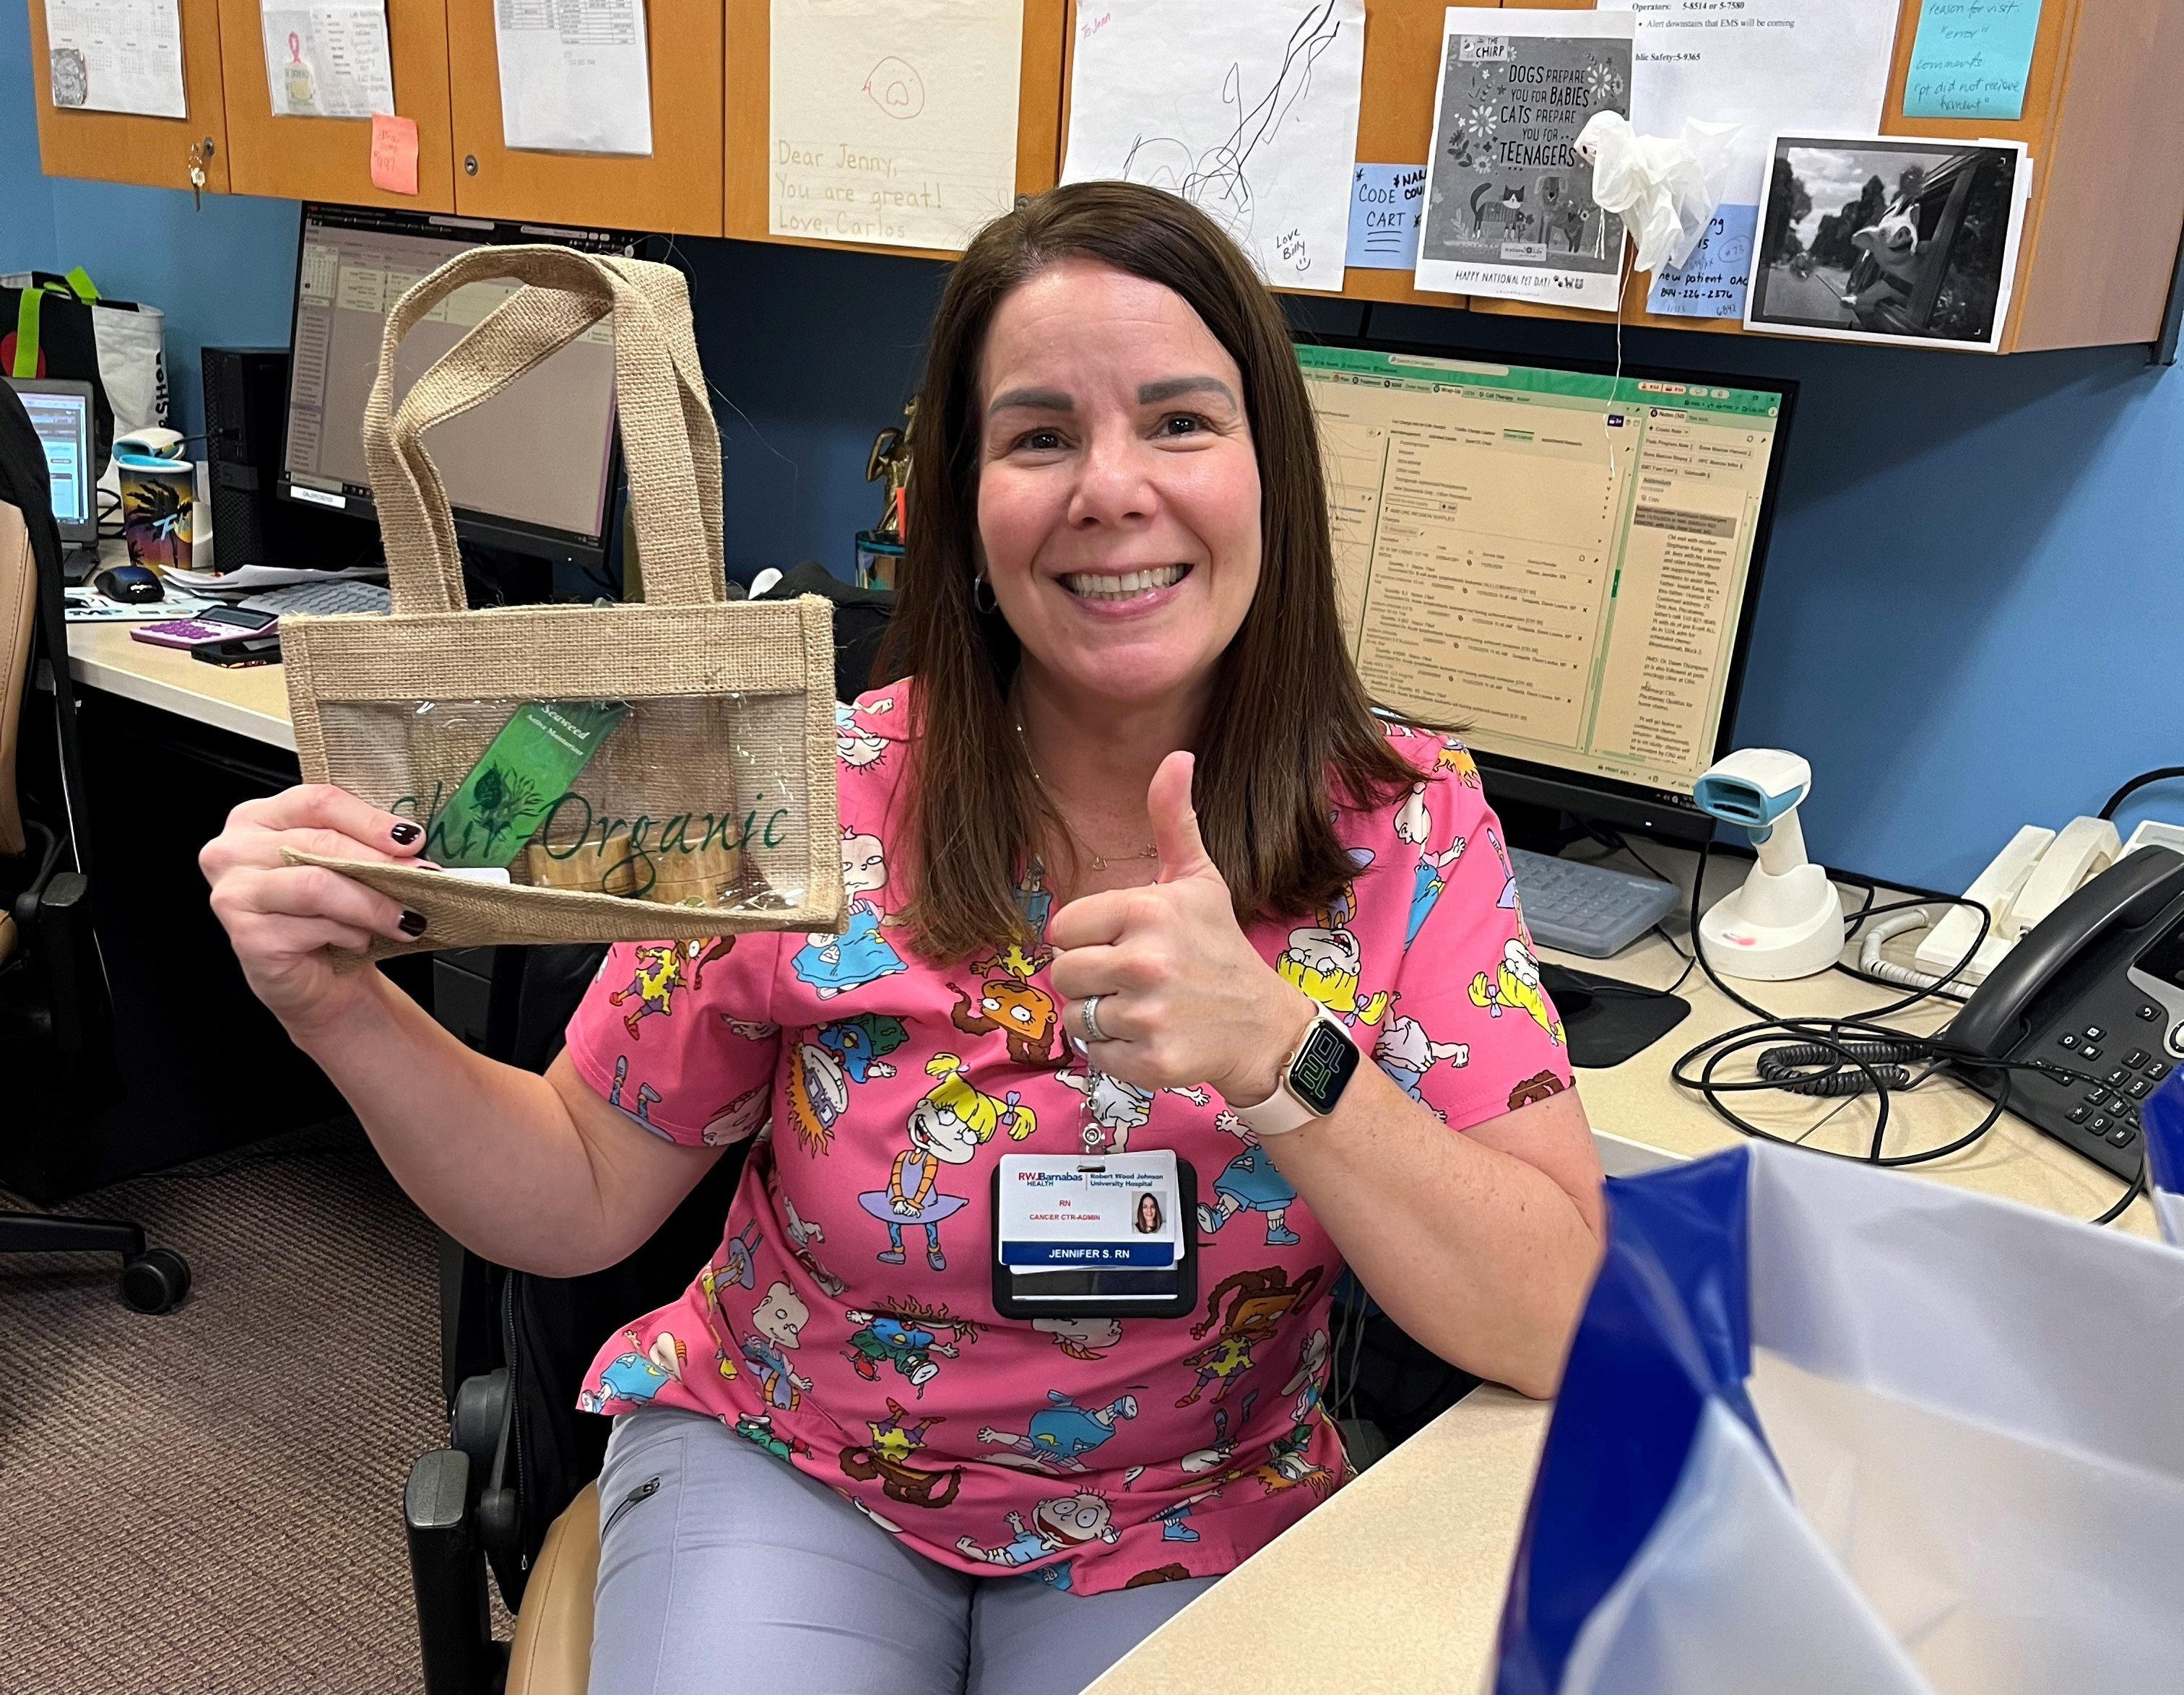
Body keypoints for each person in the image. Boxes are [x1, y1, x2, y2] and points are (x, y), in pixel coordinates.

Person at [199, 181, 1606, 1695]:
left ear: (1272, 472)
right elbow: (578, 1190)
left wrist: (1282, 1055)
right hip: (794, 1464)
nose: (1111, 489)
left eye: (1183, 422)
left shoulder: (1404, 830)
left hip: (1191, 1503)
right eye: (1040, 434)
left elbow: (1564, 1318)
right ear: (955, 496)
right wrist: (336, 1008)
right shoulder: (813, 793)